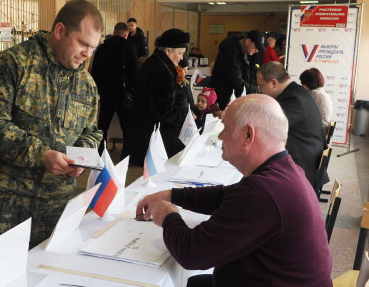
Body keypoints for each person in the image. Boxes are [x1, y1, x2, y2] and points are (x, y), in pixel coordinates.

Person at [136, 94, 332, 287]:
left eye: (226, 128)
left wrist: (169, 217)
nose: (220, 136)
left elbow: (192, 253)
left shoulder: (263, 192)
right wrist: (172, 194)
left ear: (248, 135)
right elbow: (227, 196)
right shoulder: (284, 170)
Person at [0, 0, 103, 250]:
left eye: (93, 47)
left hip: (56, 203)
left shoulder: (86, 83)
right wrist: (42, 155)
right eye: (83, 43)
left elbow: (91, 131)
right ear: (60, 30)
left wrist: (82, 159)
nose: (88, 53)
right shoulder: (13, 64)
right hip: (5, 201)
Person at [123, 28, 190, 166]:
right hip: (155, 137)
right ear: (168, 51)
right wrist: (184, 115)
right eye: (180, 53)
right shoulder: (161, 70)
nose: (182, 58)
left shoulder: (158, 63)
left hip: (152, 133)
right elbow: (163, 110)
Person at [257, 61, 327, 190]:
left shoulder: (293, 98)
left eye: (261, 85)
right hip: (306, 158)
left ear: (274, 83)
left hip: (304, 168)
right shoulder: (295, 92)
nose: (259, 90)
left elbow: (268, 126)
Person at [90, 22, 138, 154]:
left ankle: (100, 153)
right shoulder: (129, 48)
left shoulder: (101, 48)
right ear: (125, 34)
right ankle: (127, 155)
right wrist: (130, 91)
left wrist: (100, 89)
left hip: (106, 93)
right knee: (126, 127)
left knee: (103, 126)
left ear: (115, 31)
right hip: (123, 94)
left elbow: (95, 72)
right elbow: (134, 73)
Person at [209, 30, 265, 110]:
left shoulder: (244, 50)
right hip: (221, 101)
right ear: (248, 41)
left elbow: (251, 70)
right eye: (256, 47)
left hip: (230, 98)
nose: (257, 51)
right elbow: (236, 82)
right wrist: (260, 91)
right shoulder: (230, 52)